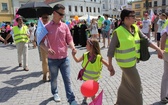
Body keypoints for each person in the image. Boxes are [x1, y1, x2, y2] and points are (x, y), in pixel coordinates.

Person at [107, 9, 163, 105]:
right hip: (125, 64)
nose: (135, 18)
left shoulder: (135, 28)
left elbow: (146, 40)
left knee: (125, 84)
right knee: (138, 87)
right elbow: (111, 50)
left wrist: (158, 49)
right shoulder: (118, 31)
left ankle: (120, 102)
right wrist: (110, 65)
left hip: (132, 62)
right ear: (126, 18)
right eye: (133, 16)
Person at [39, 4, 77, 105]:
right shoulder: (46, 27)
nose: (62, 16)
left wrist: (73, 47)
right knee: (54, 79)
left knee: (68, 80)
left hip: (65, 58)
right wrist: (47, 49)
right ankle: (55, 93)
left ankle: (71, 99)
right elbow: (40, 42)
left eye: (63, 14)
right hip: (52, 59)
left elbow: (69, 39)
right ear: (54, 13)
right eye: (60, 14)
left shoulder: (65, 26)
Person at [72, 38, 113, 105]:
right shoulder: (85, 55)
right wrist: (73, 55)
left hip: (94, 81)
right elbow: (77, 60)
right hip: (86, 79)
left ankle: (95, 103)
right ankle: (85, 100)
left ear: (92, 46)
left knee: (92, 93)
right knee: (87, 90)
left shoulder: (99, 57)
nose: (85, 46)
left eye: (87, 44)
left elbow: (107, 64)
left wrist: (111, 69)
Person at [35, 14, 50, 82]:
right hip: (42, 45)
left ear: (48, 18)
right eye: (43, 17)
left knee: (50, 61)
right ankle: (44, 74)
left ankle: (50, 74)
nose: (45, 19)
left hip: (50, 45)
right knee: (44, 61)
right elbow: (36, 36)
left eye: (46, 17)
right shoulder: (39, 26)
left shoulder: (50, 25)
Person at [160, 20, 168, 104]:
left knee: (166, 75)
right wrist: (161, 50)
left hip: (166, 52)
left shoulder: (166, 22)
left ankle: (164, 96)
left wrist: (161, 50)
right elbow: (164, 37)